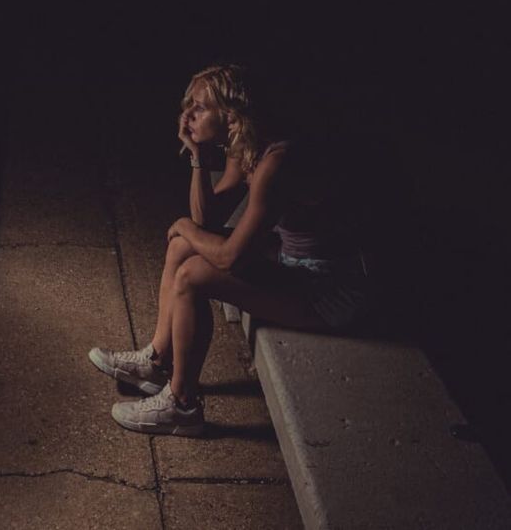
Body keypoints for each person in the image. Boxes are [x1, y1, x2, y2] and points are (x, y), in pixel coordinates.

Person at [89, 64, 370, 436]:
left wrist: (186, 227)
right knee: (180, 248)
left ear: (232, 116)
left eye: (200, 107)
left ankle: (183, 405)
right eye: (188, 105)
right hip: (294, 265)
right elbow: (205, 218)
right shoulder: (247, 147)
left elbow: (229, 257)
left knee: (192, 274)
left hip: (329, 291)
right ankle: (157, 362)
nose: (187, 114)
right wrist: (199, 157)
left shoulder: (276, 161)